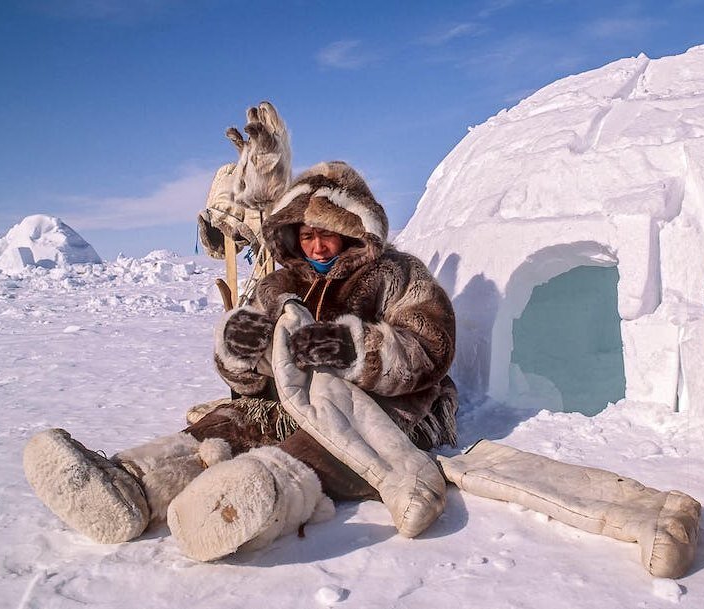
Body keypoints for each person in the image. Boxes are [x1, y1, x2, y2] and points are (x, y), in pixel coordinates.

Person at [23, 161, 458, 558]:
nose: (318, 247)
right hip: (286, 404)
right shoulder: (280, 284)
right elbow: (244, 383)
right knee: (226, 423)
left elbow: (429, 348)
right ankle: (130, 487)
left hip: (380, 411)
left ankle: (242, 505)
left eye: (328, 233)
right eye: (307, 235)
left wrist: (345, 349)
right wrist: (242, 352)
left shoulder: (399, 275)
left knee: (310, 452)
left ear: (353, 232)